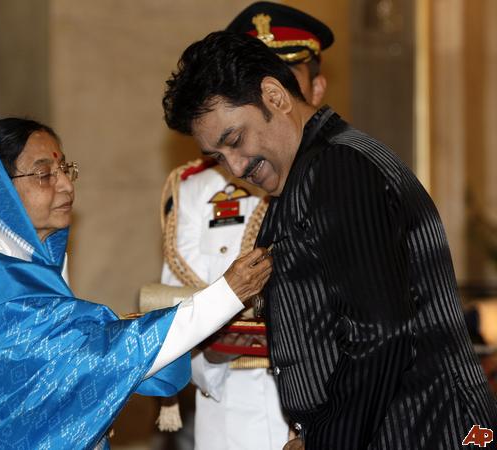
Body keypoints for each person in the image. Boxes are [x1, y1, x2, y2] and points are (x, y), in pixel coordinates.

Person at [162, 31, 497, 449]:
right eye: (217, 156)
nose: (235, 166)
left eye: (234, 140)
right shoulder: (305, 178)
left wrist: (328, 441)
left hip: (421, 431)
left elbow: (380, 333)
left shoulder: (339, 168)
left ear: (275, 96)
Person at [0, 118, 272, 450]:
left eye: (65, 169)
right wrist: (227, 293)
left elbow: (66, 362)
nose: (65, 186)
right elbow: (101, 352)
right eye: (44, 174)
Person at [159, 3, 332, 449]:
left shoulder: (352, 173)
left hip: (331, 414)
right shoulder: (198, 189)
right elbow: (174, 311)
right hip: (230, 422)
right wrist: (211, 351)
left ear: (313, 87)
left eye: (289, 80)